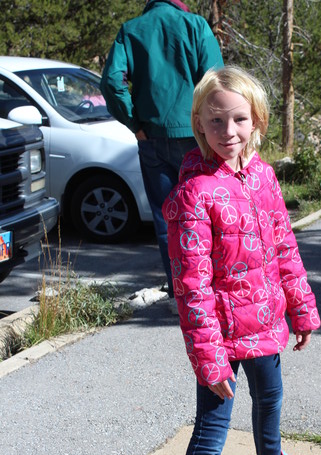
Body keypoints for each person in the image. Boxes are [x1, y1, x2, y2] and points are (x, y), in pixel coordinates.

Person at [163, 66, 321, 455]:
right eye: (215, 120)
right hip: (220, 339)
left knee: (272, 396)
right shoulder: (194, 195)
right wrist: (209, 361)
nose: (228, 130)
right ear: (199, 126)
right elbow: (192, 287)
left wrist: (300, 309)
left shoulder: (264, 178)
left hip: (266, 326)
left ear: (256, 121)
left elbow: (284, 249)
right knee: (208, 442)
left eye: (238, 118)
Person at [100, 0, 223, 308]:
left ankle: (181, 294)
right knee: (209, 212)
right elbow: (217, 82)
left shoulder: (131, 30)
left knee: (167, 219)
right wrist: (212, 127)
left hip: (151, 137)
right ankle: (213, 289)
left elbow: (112, 82)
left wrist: (134, 124)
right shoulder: (195, 25)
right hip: (197, 137)